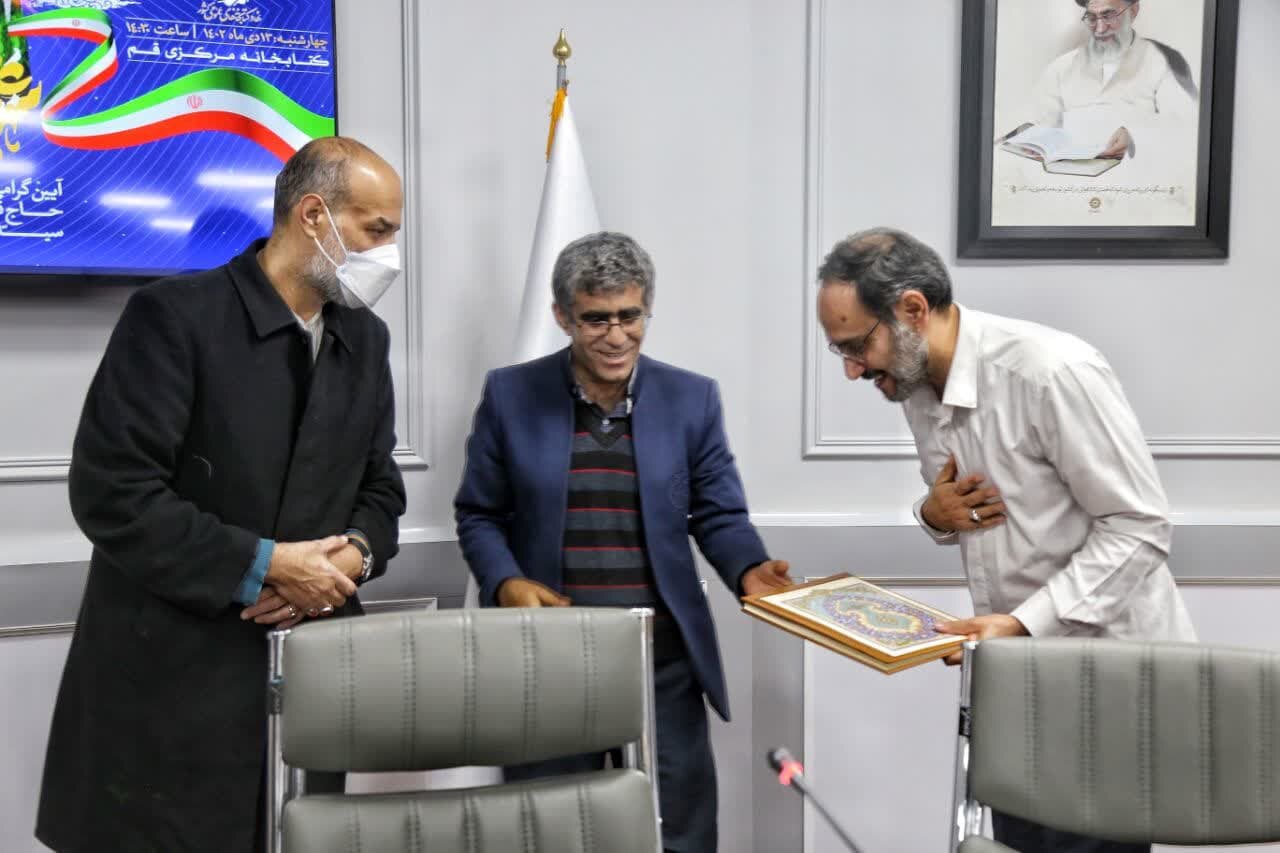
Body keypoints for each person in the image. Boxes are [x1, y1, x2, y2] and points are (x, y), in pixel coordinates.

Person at [36, 136, 408, 853]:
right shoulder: (175, 316)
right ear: (313, 216)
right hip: (171, 690)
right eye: (377, 229)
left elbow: (380, 487)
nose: (388, 254)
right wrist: (266, 564)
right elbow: (114, 491)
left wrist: (349, 561)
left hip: (305, 680)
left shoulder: (366, 339)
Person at [816, 227, 1195, 853]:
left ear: (913, 309)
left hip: (1106, 680)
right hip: (1018, 682)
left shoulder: (1052, 372)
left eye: (858, 345)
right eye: (840, 351)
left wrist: (1021, 625)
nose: (853, 369)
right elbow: (979, 514)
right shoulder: (913, 382)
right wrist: (934, 515)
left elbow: (1139, 525)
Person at [455, 231, 792, 852]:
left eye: (630, 316)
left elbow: (718, 513)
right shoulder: (510, 394)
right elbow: (479, 514)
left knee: (680, 834)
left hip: (660, 663)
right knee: (548, 833)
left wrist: (749, 569)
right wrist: (506, 582)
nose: (616, 336)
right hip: (549, 663)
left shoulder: (692, 399)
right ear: (563, 316)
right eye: (596, 319)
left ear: (647, 309)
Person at [1012, 0, 1198, 161]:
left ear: (1133, 11)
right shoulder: (1061, 67)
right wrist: (1030, 140)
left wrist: (1135, 134)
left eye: (1109, 16)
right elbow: (1038, 121)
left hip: (1141, 182)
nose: (1100, 29)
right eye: (1092, 18)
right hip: (1070, 182)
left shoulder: (1162, 62)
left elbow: (1187, 127)